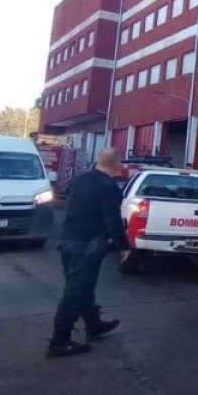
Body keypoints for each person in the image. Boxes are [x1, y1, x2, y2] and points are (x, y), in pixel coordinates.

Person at [47, 147, 131, 358]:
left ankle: (94, 325)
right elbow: (112, 220)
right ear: (117, 165)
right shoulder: (109, 187)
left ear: (98, 161)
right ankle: (59, 342)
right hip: (88, 245)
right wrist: (124, 246)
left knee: (83, 288)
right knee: (75, 293)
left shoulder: (80, 180)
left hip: (68, 241)